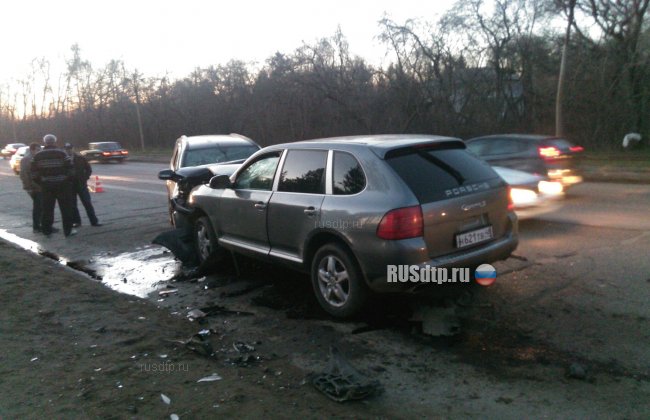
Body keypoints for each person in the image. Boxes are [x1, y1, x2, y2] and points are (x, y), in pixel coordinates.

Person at [31, 134, 77, 237]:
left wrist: (42, 182)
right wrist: (67, 180)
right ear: (55, 142)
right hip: (62, 185)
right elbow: (71, 169)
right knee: (66, 209)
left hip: (46, 186)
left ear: (44, 142)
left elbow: (33, 173)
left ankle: (47, 231)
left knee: (47, 209)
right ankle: (68, 231)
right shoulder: (62, 153)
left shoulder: (38, 156)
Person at [64, 143, 101, 227]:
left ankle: (94, 221)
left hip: (81, 184)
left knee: (87, 203)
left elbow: (88, 168)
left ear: (73, 148)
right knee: (73, 204)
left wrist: (85, 177)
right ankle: (77, 221)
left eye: (70, 148)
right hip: (70, 185)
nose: (68, 150)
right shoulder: (63, 159)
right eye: (67, 149)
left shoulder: (80, 158)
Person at [19, 142, 43, 232]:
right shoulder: (26, 159)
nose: (39, 151)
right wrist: (28, 187)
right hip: (33, 187)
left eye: (40, 150)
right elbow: (23, 174)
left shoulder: (35, 158)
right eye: (37, 150)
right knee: (38, 206)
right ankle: (37, 226)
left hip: (39, 186)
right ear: (32, 150)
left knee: (41, 206)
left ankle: (42, 225)